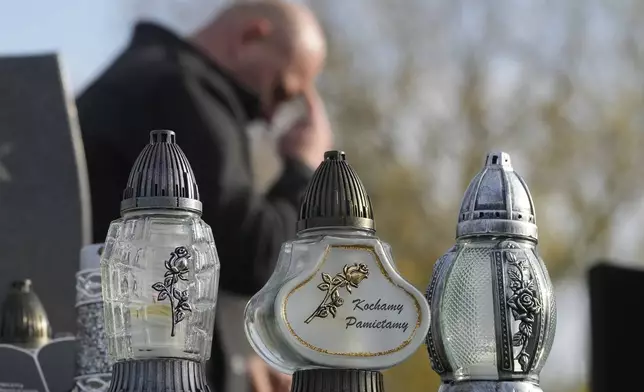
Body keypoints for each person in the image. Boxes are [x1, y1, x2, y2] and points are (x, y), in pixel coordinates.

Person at [76, 1, 332, 391]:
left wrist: (247, 361)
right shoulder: (180, 92)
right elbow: (251, 253)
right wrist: (302, 169)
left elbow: (204, 260)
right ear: (251, 36)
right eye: (281, 91)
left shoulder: (153, 79)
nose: (270, 116)